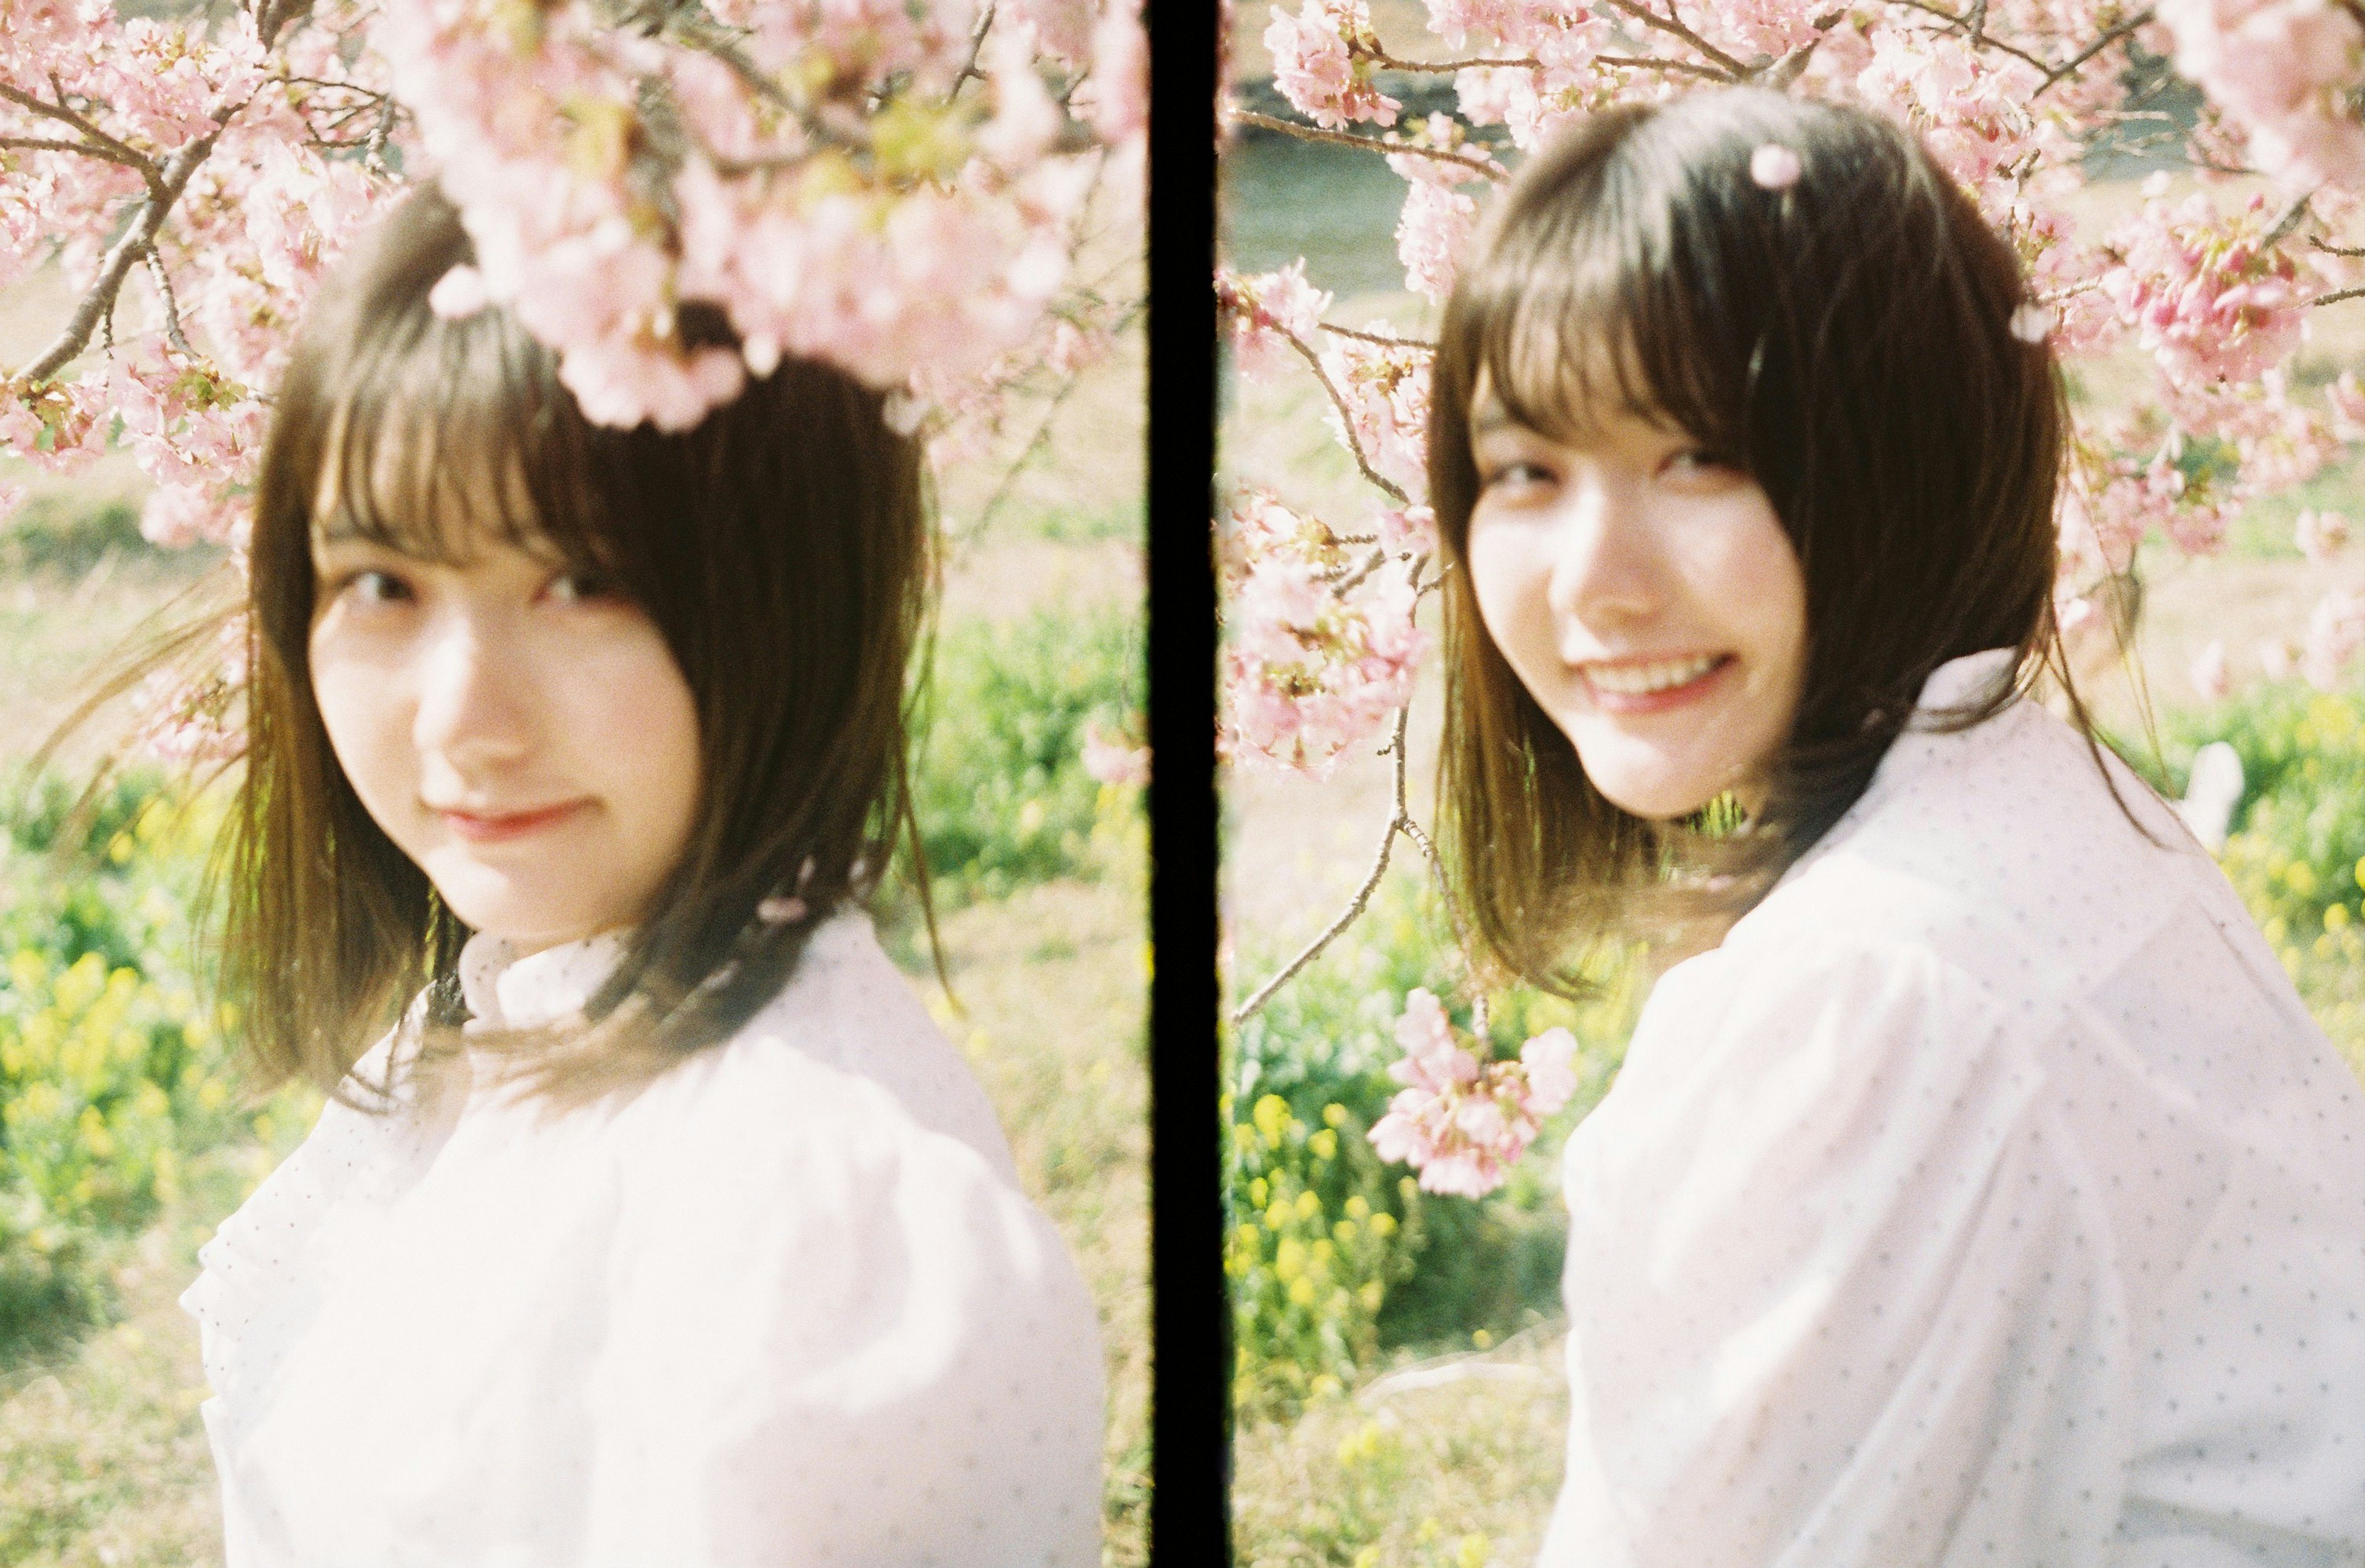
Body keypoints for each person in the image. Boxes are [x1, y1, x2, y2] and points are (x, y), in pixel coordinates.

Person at [1425, 88, 2365, 1566]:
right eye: (1526, 471)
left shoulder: (1876, 994)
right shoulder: (2039, 800)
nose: (1592, 581)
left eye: (1700, 456)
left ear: (1895, 460)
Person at [170, 185, 1104, 1566]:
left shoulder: (810, 1235)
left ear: (792, 599)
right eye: (381, 583)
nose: (460, 720)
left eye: (585, 581)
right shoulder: (527, 1004)